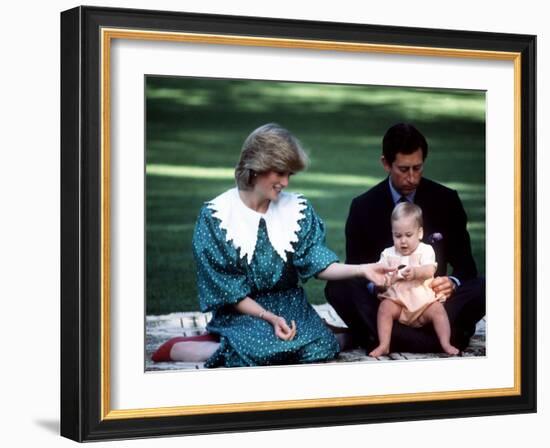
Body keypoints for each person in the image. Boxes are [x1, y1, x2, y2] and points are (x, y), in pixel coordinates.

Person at [152, 123, 392, 368]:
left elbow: (317, 262)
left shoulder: (296, 210)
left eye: (290, 174)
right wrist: (269, 317)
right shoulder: (217, 217)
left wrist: (363, 269)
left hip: (289, 303)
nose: (286, 182)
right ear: (257, 168)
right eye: (280, 173)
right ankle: (204, 346)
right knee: (262, 351)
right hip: (241, 310)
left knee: (322, 348)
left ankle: (317, 332)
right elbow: (228, 291)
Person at [325, 122, 485, 354]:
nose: (412, 177)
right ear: (386, 164)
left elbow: (466, 266)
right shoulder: (363, 206)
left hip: (433, 304)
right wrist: (375, 286)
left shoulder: (447, 200)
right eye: (403, 169)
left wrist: (452, 283)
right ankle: (441, 339)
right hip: (388, 304)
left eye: (417, 168)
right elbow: (357, 267)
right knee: (338, 287)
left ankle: (379, 338)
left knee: (484, 286)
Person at [369, 202, 459, 357]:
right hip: (399, 303)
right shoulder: (388, 254)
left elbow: (430, 269)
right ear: (392, 233)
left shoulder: (425, 250)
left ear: (420, 233)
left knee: (438, 310)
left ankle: (445, 343)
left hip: (423, 303)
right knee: (384, 308)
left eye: (408, 235)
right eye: (398, 236)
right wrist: (389, 278)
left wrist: (416, 272)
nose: (403, 241)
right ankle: (384, 344)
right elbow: (380, 275)